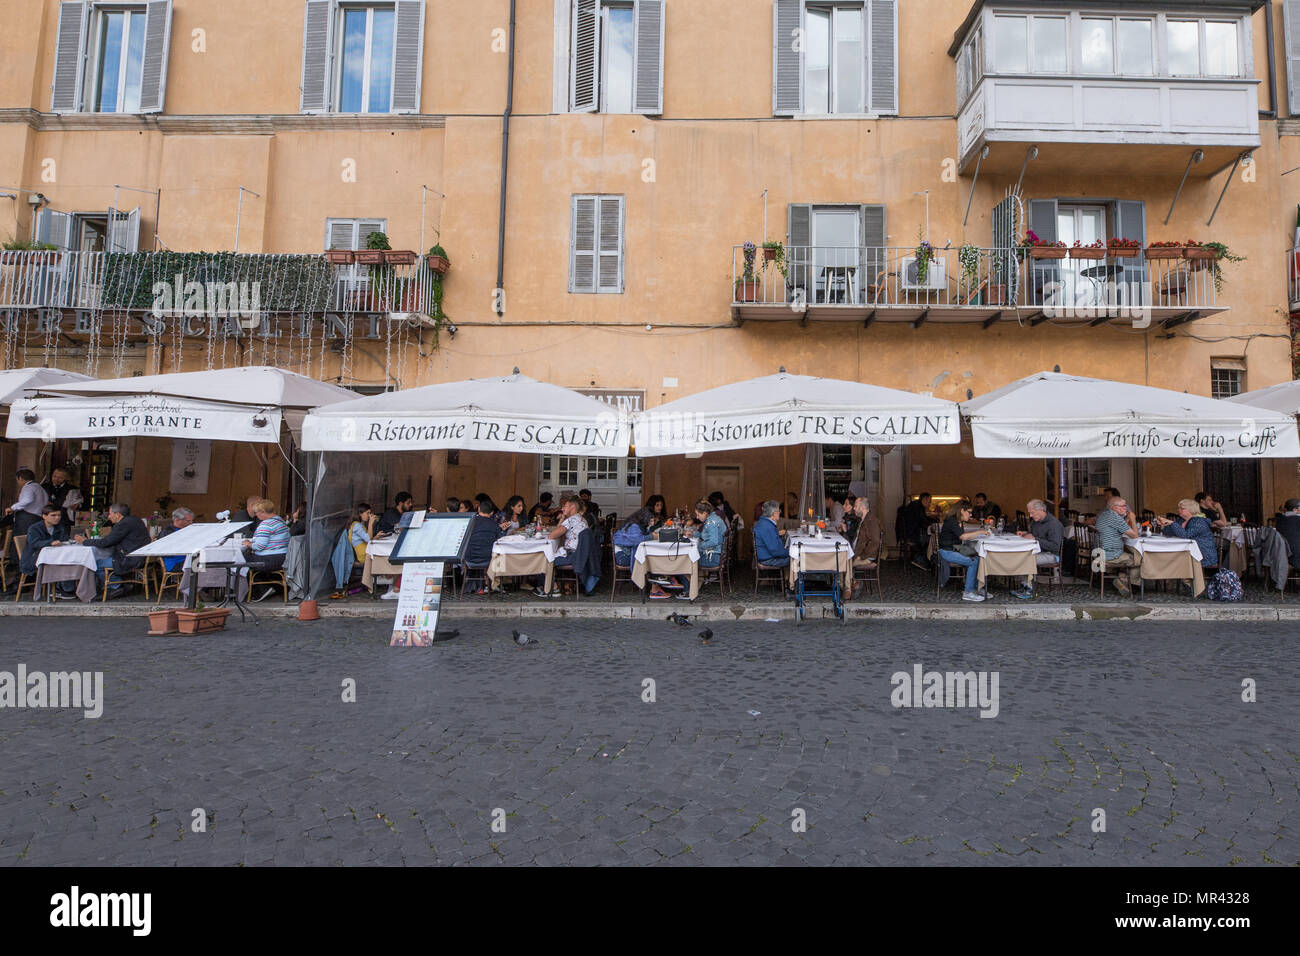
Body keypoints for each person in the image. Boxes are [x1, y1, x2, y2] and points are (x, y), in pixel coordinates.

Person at [75, 502, 150, 598]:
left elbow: (106, 542)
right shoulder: (136, 520)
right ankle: (110, 586)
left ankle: (115, 586)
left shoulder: (123, 524)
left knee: (94, 564)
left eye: (110, 514)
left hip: (130, 559)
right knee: (102, 559)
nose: (109, 517)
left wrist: (84, 541)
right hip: (137, 556)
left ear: (117, 514)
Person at [16, 504, 75, 598]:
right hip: (34, 559)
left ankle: (67, 588)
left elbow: (65, 539)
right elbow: (34, 543)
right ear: (44, 516)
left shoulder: (60, 527)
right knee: (62, 562)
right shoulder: (34, 528)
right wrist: (50, 543)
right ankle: (61, 589)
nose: (57, 518)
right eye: (53, 515)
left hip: (55, 556)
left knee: (70, 560)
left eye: (59, 515)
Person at [937, 500, 990, 602]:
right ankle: (968, 592)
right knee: (974, 561)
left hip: (952, 550)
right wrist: (981, 532)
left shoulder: (957, 521)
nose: (970, 515)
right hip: (946, 552)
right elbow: (963, 537)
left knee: (978, 558)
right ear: (962, 510)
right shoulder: (952, 521)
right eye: (969, 512)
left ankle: (976, 589)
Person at [535, 494, 587, 598]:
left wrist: (563, 518)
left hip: (572, 556)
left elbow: (552, 535)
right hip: (579, 555)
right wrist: (563, 516)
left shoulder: (571, 520)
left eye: (565, 506)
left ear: (572, 507)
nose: (562, 508)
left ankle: (552, 589)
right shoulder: (581, 519)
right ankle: (552, 586)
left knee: (542, 559)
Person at [1011, 499, 1064, 599]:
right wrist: (1025, 534)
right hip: (1038, 551)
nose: (1030, 515)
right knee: (1021, 556)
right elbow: (1034, 535)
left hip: (1051, 555)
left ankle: (1030, 589)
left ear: (1041, 510)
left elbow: (1054, 546)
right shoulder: (1036, 522)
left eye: (1032, 512)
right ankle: (1025, 586)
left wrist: (1035, 539)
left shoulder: (1054, 524)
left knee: (1027, 559)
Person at [241, 499, 289, 600]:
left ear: (263, 512)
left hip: (270, 560)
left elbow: (259, 546)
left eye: (257, 512)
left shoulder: (266, 524)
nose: (256, 515)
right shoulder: (279, 520)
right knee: (250, 558)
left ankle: (262, 589)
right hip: (283, 557)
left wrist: (248, 544)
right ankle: (273, 588)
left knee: (243, 556)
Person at [1154, 498, 1218, 571]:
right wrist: (1164, 524)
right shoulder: (1182, 520)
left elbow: (1185, 535)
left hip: (1204, 557)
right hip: (1189, 554)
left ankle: (1177, 578)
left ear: (1191, 509)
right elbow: (1168, 532)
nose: (1179, 510)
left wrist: (1171, 522)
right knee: (1168, 560)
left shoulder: (1199, 521)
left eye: (1182, 508)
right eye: (1179, 508)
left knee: (1171, 561)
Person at [1096, 496, 1142, 595]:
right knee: (1139, 558)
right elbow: (1134, 536)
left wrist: (1126, 519)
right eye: (1123, 506)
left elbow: (1119, 529)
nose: (1126, 508)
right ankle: (1129, 584)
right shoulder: (1114, 517)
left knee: (1128, 554)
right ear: (1114, 507)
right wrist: (1133, 519)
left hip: (1100, 553)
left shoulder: (1105, 515)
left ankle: (1121, 578)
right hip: (1111, 555)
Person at [463, 499, 504, 595]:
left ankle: (480, 585)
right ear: (492, 513)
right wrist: (501, 529)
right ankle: (494, 584)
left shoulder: (469, 522)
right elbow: (499, 541)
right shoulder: (494, 525)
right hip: (487, 560)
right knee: (500, 556)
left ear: (478, 509)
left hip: (468, 558)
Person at [847, 497, 881, 599]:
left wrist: (861, 556)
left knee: (844, 564)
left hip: (866, 557)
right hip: (858, 554)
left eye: (856, 506)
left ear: (862, 507)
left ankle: (851, 586)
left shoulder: (871, 521)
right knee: (841, 561)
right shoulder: (864, 519)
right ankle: (850, 584)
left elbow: (875, 542)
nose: (854, 508)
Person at [4, 469, 48, 537]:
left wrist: (12, 508)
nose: (18, 482)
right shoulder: (40, 487)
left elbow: (27, 500)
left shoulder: (28, 487)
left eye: (17, 480)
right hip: (38, 518)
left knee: (21, 541)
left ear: (20, 478)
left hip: (27, 520)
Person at [155, 507, 196, 573]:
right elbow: (163, 551)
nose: (191, 523)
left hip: (186, 560)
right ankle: (193, 582)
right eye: (188, 521)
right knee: (200, 565)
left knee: (205, 561)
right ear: (177, 520)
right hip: (174, 563)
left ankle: (199, 582)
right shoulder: (167, 533)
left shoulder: (187, 530)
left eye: (192, 521)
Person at [753, 500, 790, 568]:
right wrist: (790, 553)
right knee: (798, 559)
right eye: (779, 511)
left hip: (765, 556)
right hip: (768, 559)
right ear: (774, 513)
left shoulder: (763, 523)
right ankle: (795, 578)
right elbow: (775, 551)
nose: (780, 513)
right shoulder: (767, 526)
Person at [902, 492, 933, 571]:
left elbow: (922, 520)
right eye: (929, 501)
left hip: (908, 531)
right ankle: (920, 559)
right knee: (929, 539)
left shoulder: (915, 505)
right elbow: (922, 522)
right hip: (912, 533)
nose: (930, 504)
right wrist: (933, 521)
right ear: (924, 499)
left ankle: (922, 558)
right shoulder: (918, 507)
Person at [694, 499, 728, 570]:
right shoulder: (713, 518)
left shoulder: (712, 523)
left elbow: (713, 541)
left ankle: (691, 581)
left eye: (698, 514)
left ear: (705, 513)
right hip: (718, 554)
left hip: (715, 558)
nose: (697, 517)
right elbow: (706, 534)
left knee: (689, 560)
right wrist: (693, 534)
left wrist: (699, 545)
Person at [1275, 499, 1300, 571]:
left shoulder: (1279, 520)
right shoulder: (1298, 519)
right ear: (1295, 510)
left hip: (1283, 555)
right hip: (1297, 556)